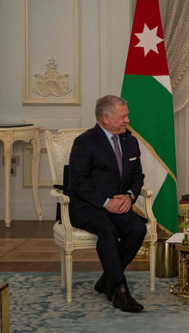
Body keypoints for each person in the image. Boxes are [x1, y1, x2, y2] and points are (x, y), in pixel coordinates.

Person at [68, 95, 147, 313]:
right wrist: (105, 202)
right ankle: (120, 292)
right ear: (105, 118)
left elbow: (138, 176)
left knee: (137, 229)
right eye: (123, 116)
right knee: (107, 230)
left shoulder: (130, 141)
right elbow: (78, 183)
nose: (128, 120)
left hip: (118, 203)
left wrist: (129, 196)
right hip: (87, 205)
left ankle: (107, 280)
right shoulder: (85, 142)